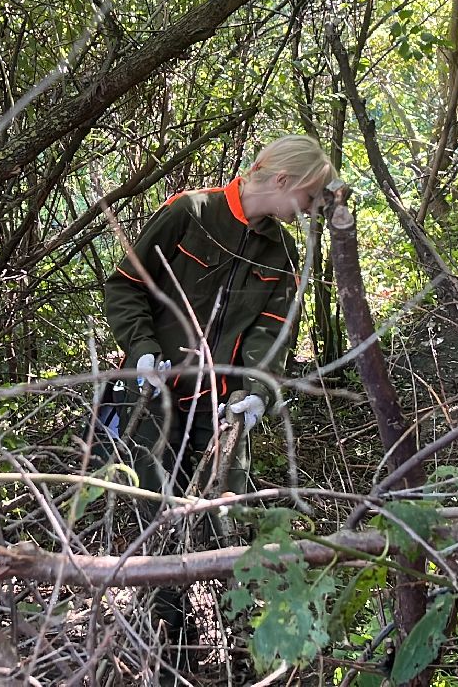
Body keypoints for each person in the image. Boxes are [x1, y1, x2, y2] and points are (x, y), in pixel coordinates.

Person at [99, 134, 334, 671]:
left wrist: (255, 390)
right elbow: (125, 286)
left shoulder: (280, 252)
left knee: (226, 513)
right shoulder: (190, 213)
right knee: (156, 512)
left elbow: (274, 333)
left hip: (222, 406)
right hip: (153, 391)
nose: (309, 209)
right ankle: (166, 645)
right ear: (281, 182)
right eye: (308, 196)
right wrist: (141, 352)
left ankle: (242, 647)